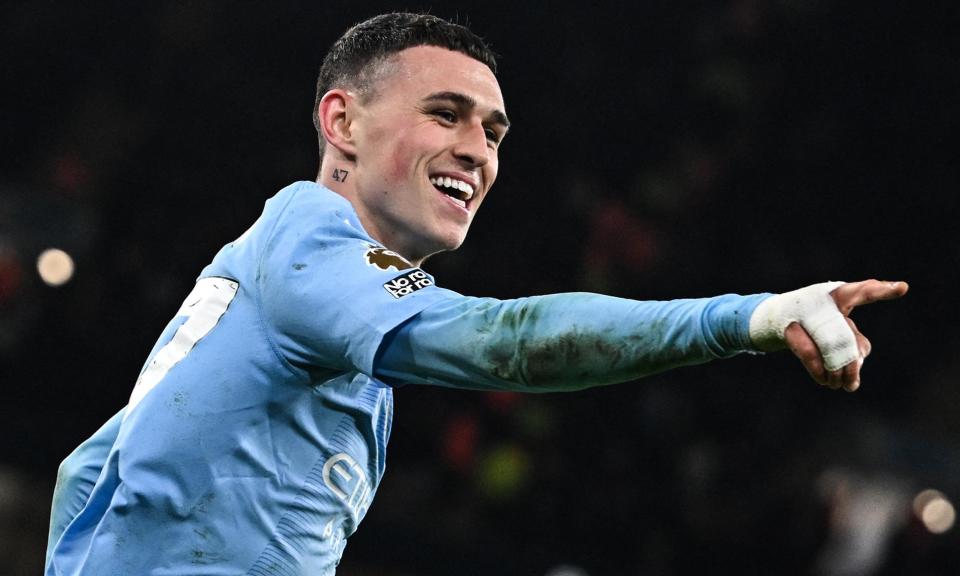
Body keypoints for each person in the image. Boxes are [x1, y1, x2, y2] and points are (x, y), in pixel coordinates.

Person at [44, 12, 908, 575]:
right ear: (341, 123)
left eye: (492, 131)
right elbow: (511, 341)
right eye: (445, 114)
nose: (478, 150)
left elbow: (86, 471)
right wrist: (745, 319)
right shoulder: (310, 237)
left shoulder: (270, 285)